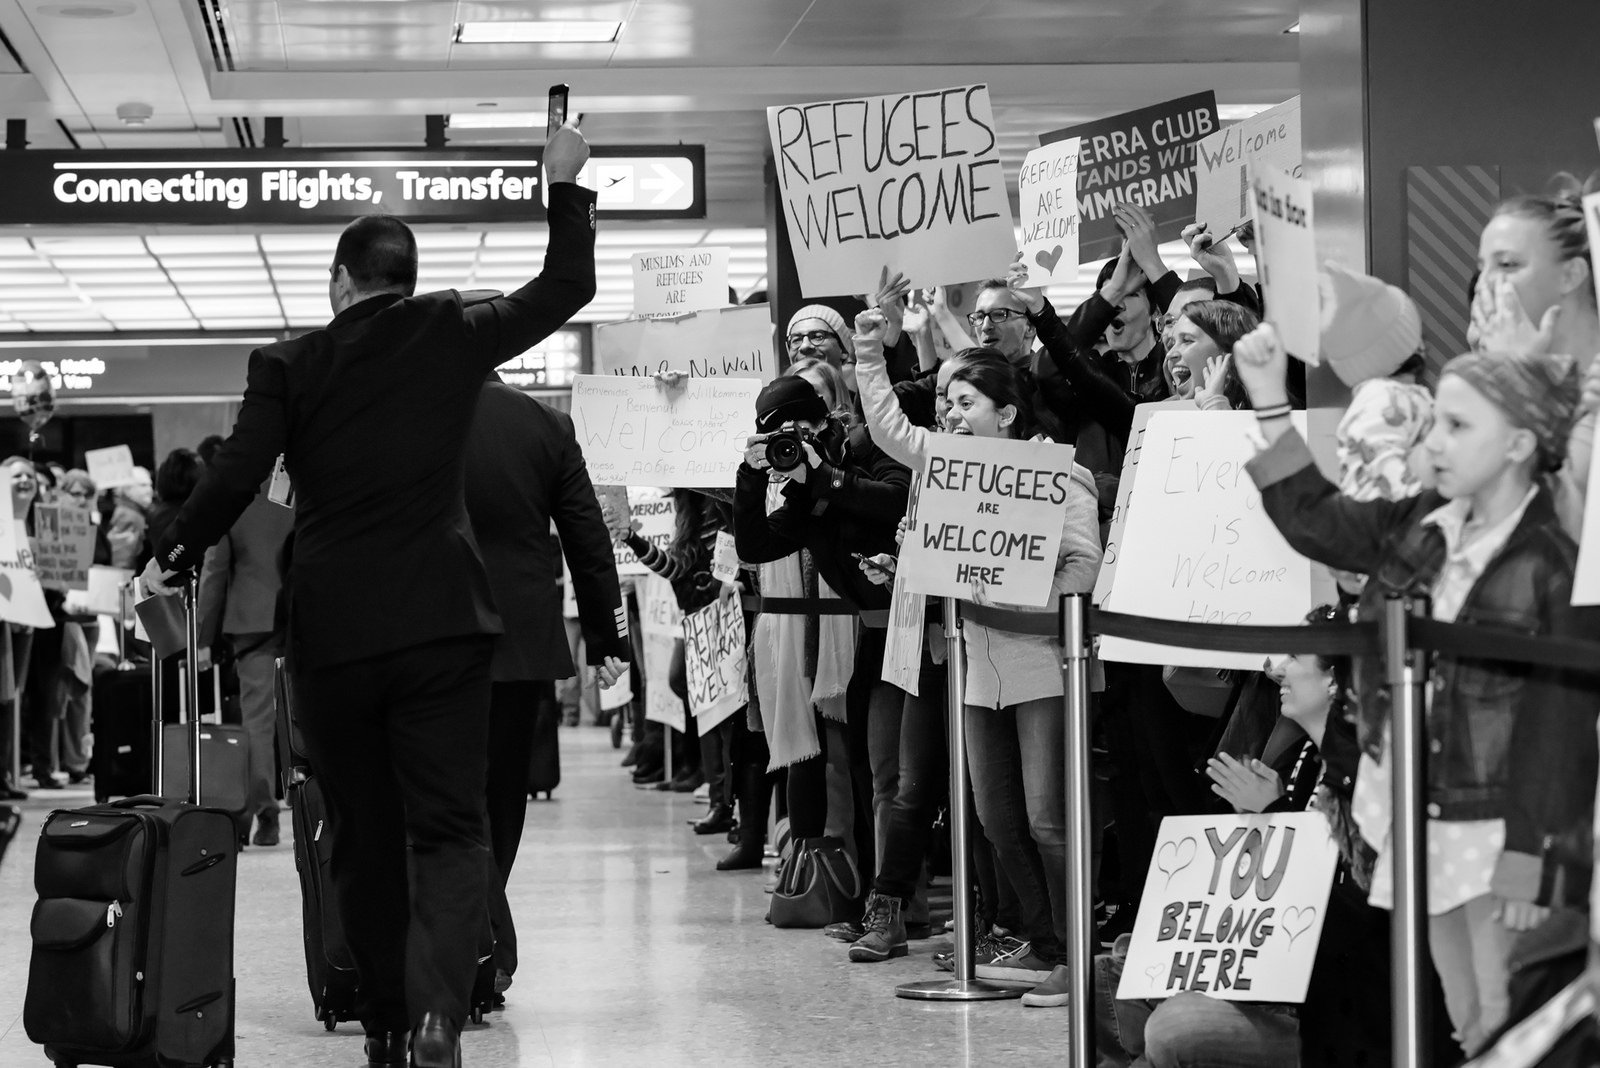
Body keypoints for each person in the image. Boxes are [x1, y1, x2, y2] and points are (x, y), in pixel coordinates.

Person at [139, 123, 608, 1068]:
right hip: (445, 625)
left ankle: (387, 1025)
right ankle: (440, 1015)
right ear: (406, 274)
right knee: (448, 825)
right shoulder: (453, 333)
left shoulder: (289, 363)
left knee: (361, 830)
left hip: (336, 633)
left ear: (340, 283)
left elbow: (235, 474)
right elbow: (568, 289)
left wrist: (174, 553)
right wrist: (563, 182)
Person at [1234, 322, 1600, 1056]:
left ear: (1522, 445)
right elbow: (1316, 522)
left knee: (1507, 1018)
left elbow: (1558, 722)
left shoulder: (1550, 565)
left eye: (1457, 427)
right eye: (1437, 424)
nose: (1433, 445)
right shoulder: (1420, 523)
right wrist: (1271, 401)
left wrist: (1532, 852)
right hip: (1410, 809)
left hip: (1494, 829)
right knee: (1467, 1016)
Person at [855, 309, 1102, 1004]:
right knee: (995, 818)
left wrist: (1022, 590)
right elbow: (888, 429)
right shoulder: (948, 474)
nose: (952, 415)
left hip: (1043, 661)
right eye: (946, 404)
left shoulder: (1061, 475)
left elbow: (1083, 566)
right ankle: (1043, 942)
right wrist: (869, 347)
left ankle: (1073, 954)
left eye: (965, 402)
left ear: (1007, 412)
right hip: (975, 666)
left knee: (1048, 817)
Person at [463, 373, 629, 997]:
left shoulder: (412, 405)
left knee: (442, 790)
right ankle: (487, 937)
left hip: (431, 633)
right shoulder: (545, 425)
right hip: (519, 639)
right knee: (504, 789)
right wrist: (608, 639)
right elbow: (587, 537)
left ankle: (481, 941)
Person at [733, 373, 910, 911]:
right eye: (778, 434)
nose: (794, 438)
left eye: (799, 427)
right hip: (871, 638)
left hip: (906, 631)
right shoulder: (802, 488)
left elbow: (899, 499)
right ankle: (874, 904)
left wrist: (826, 476)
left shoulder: (868, 445)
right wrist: (748, 474)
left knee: (891, 779)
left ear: (825, 418)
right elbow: (756, 544)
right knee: (865, 769)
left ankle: (905, 907)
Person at [196, 472, 296, 846]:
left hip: (253, 621)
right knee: (313, 717)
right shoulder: (312, 485)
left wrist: (202, 639)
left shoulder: (236, 497)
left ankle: (265, 812)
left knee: (258, 721)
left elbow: (215, 571)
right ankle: (320, 812)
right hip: (309, 613)